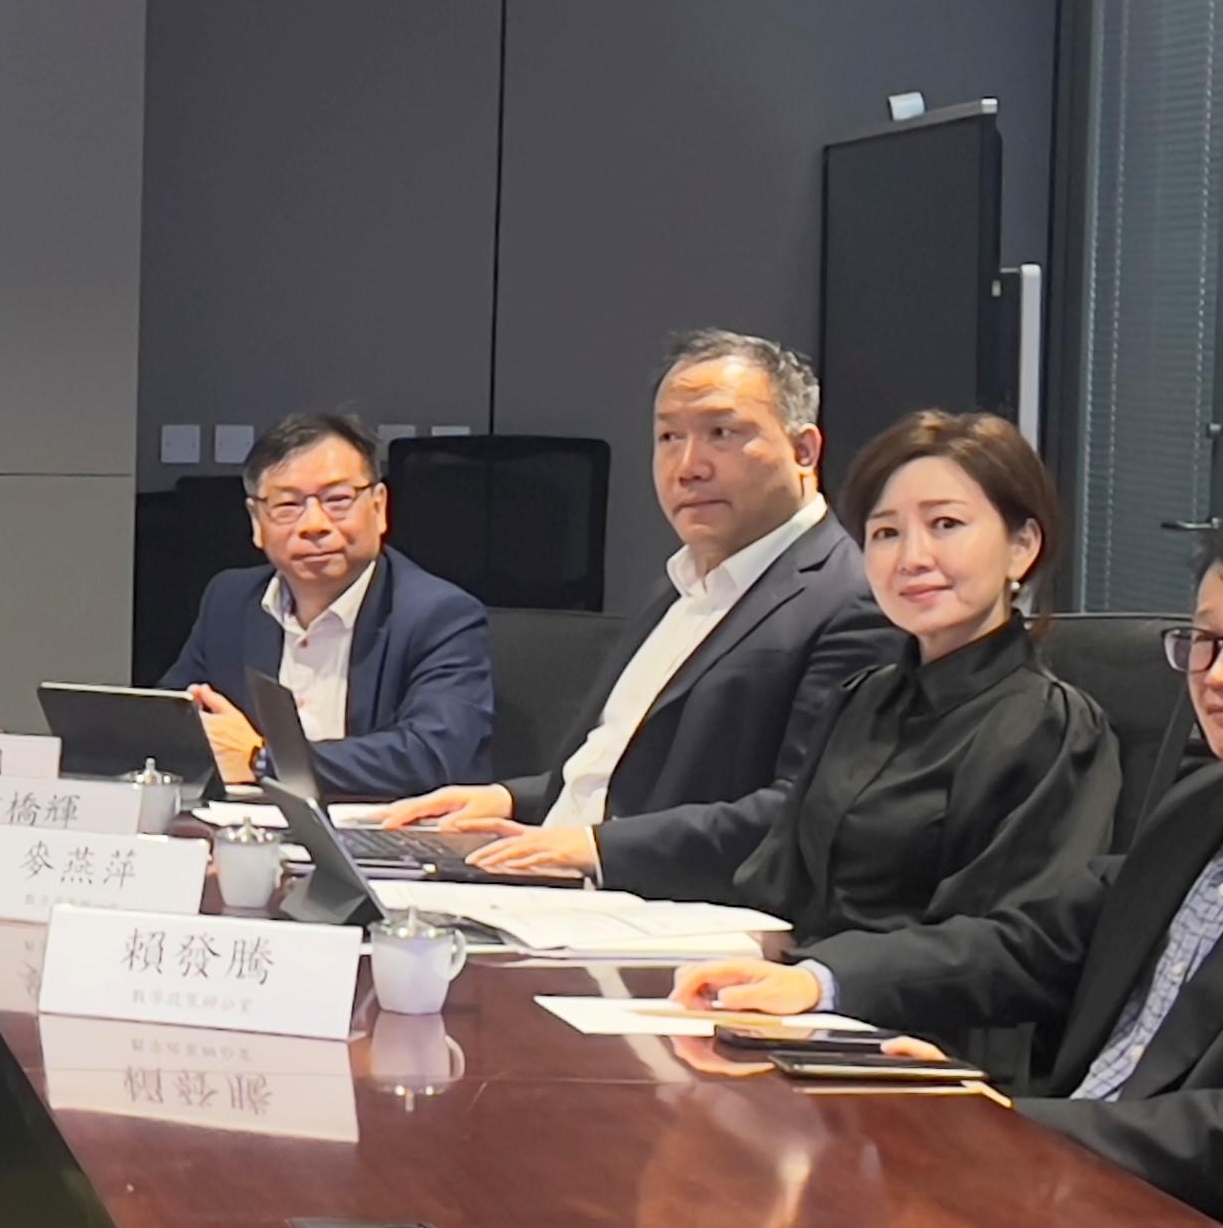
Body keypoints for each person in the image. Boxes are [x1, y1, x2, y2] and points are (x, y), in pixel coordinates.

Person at [681, 504, 1223, 1228]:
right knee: (775, 1214)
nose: (1220, 675)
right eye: (1207, 641)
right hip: (1073, 1198)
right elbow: (1036, 942)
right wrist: (822, 978)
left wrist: (1010, 1122)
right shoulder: (1208, 803)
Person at [378, 330, 897, 900]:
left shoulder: (850, 598)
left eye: (721, 433)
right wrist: (506, 800)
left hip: (674, 918)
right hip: (558, 890)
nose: (688, 466)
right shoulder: (679, 584)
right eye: (669, 437)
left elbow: (804, 812)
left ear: (804, 451)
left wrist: (596, 850)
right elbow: (621, 781)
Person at [725, 410, 1118, 937]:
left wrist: (820, 978)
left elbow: (1018, 943)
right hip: (799, 997)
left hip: (917, 1013)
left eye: (946, 525)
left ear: (1022, 546)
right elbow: (773, 884)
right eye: (886, 532)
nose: (911, 557)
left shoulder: (1051, 725)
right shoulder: (860, 700)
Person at [157, 410, 491, 799]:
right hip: (249, 832)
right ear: (256, 522)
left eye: (337, 500)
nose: (313, 524)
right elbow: (170, 723)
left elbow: (430, 756)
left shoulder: (441, 615)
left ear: (379, 507)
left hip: (384, 841)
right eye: (287, 505)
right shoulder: (230, 601)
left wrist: (261, 759)